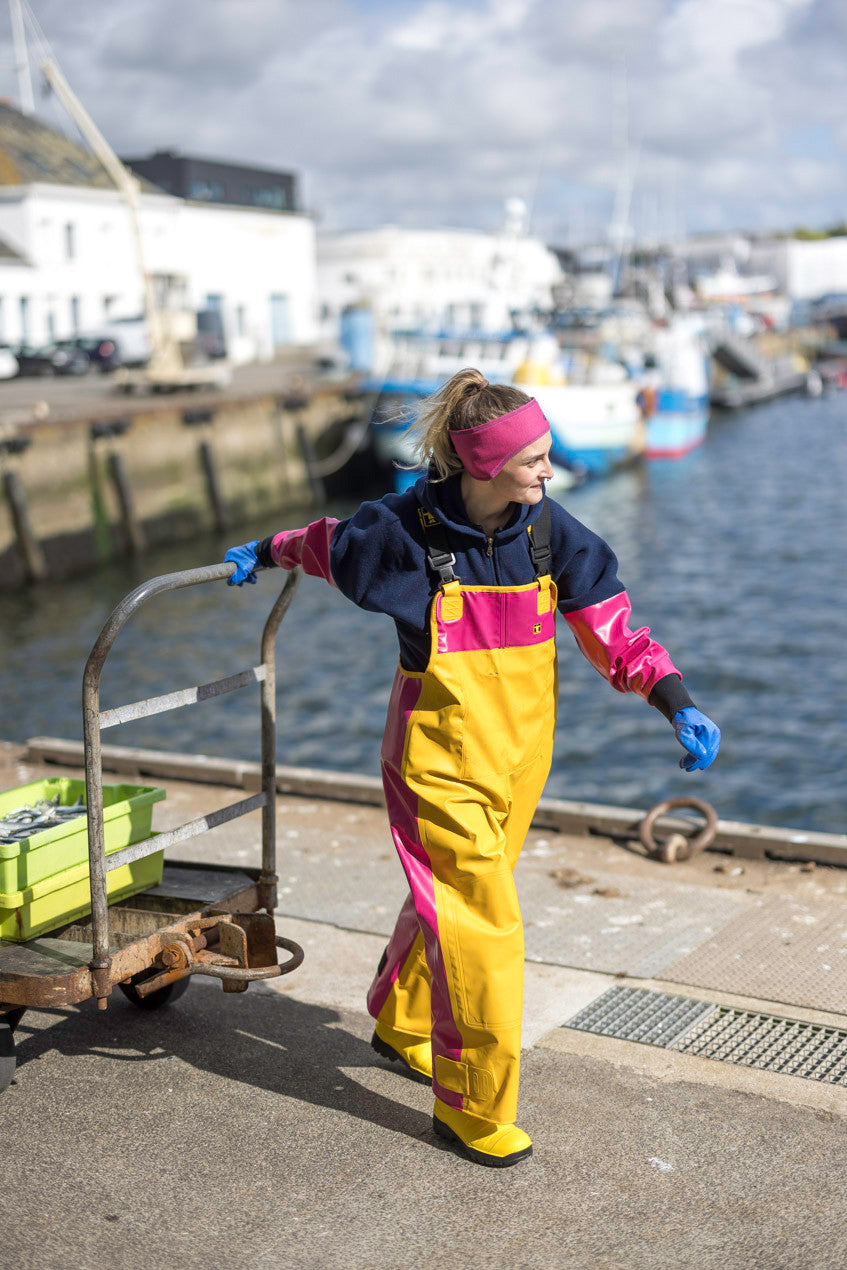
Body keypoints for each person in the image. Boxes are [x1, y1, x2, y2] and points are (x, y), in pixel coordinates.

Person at [223, 368, 720, 1169]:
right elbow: (325, 543)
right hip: (435, 763)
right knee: (485, 928)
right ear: (485, 464)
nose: (547, 472)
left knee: (452, 904)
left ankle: (400, 1017)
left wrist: (672, 697)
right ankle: (472, 1107)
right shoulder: (401, 533)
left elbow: (612, 631)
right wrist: (260, 552)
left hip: (518, 758)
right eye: (533, 461)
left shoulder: (550, 533)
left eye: (547, 457)